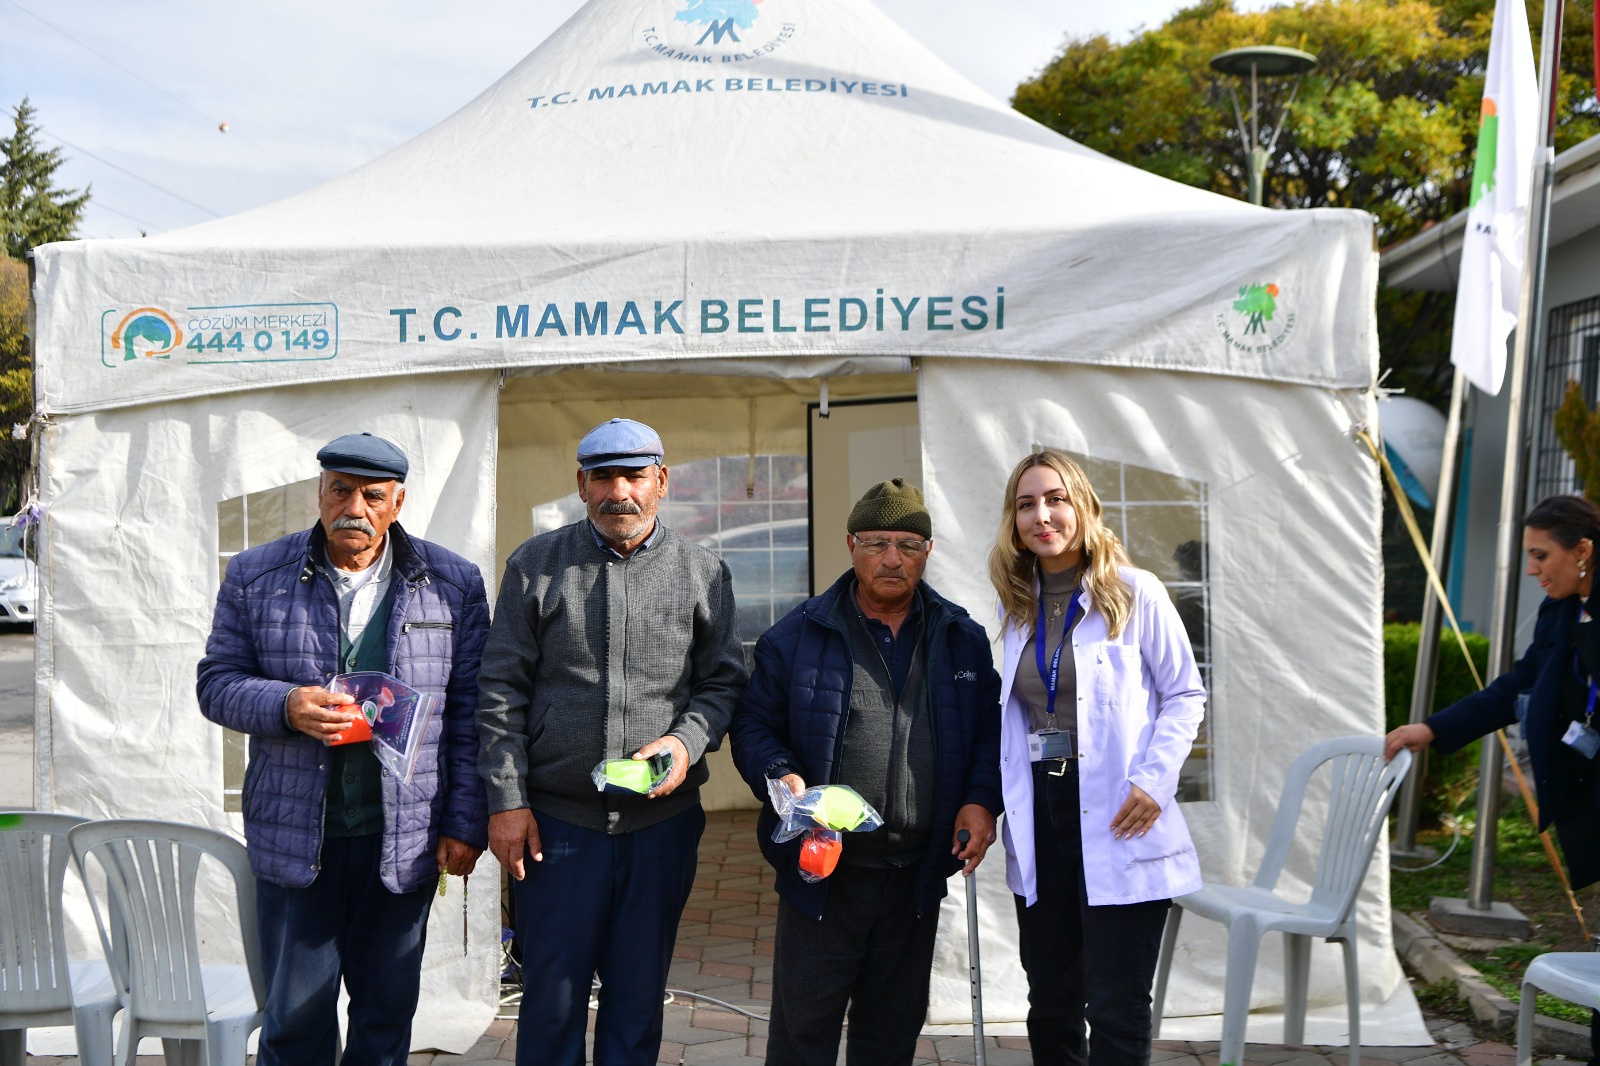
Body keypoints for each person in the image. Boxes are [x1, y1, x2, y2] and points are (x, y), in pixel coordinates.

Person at [196, 432, 490, 1066]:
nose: (353, 507)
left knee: (385, 1019)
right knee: (294, 1025)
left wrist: (465, 821)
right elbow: (216, 684)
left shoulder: (453, 584)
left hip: (403, 841)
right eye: (340, 491)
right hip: (298, 839)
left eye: (372, 495)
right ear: (320, 493)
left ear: (398, 502)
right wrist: (284, 706)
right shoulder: (257, 574)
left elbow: (470, 713)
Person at [476, 417, 747, 1066]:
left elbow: (724, 683)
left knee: (636, 1001)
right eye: (602, 477)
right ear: (581, 484)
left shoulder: (701, 571)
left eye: (633, 476)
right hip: (558, 825)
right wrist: (507, 801)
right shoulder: (536, 566)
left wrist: (684, 743)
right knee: (551, 1002)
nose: (617, 491)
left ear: (661, 482)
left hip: (661, 827)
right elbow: (498, 692)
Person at [729, 477, 1003, 1066]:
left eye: (907, 544)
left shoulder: (961, 639)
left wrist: (982, 799)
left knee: (890, 1034)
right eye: (877, 542)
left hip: (917, 876)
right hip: (824, 872)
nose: (891, 558)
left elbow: (989, 731)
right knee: (803, 1035)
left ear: (928, 552)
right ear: (851, 544)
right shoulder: (795, 637)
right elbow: (753, 726)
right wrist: (783, 778)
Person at [987, 449, 1205, 1066]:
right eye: (1026, 504)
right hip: (1044, 810)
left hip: (1120, 811)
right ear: (1014, 520)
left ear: (1083, 506)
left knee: (1115, 1004)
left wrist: (1155, 781)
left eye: (1056, 499)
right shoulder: (1015, 603)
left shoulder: (1136, 593)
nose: (1042, 515)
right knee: (1050, 999)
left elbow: (1186, 692)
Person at [1386, 494, 1600, 1066]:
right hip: (1588, 799)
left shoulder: (1582, 612)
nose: (1532, 569)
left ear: (1583, 551)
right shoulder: (1562, 610)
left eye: (1540, 555)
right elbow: (1517, 686)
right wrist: (1432, 728)